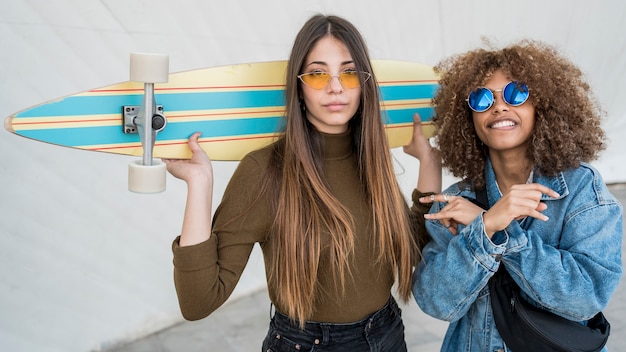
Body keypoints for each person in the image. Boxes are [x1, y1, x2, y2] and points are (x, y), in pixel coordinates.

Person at [164, 14, 441, 351]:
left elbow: (414, 245)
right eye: (318, 73)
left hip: (387, 336)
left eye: (349, 73)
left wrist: (429, 163)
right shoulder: (263, 171)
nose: (336, 86)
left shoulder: (372, 158)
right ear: (298, 84)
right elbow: (198, 302)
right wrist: (199, 184)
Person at [412, 40, 623, 351]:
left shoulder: (581, 189)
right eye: (482, 99)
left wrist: (505, 235)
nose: (499, 106)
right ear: (467, 118)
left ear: (543, 106)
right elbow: (435, 302)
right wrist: (484, 228)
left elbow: (585, 297)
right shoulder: (458, 200)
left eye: (516, 93)